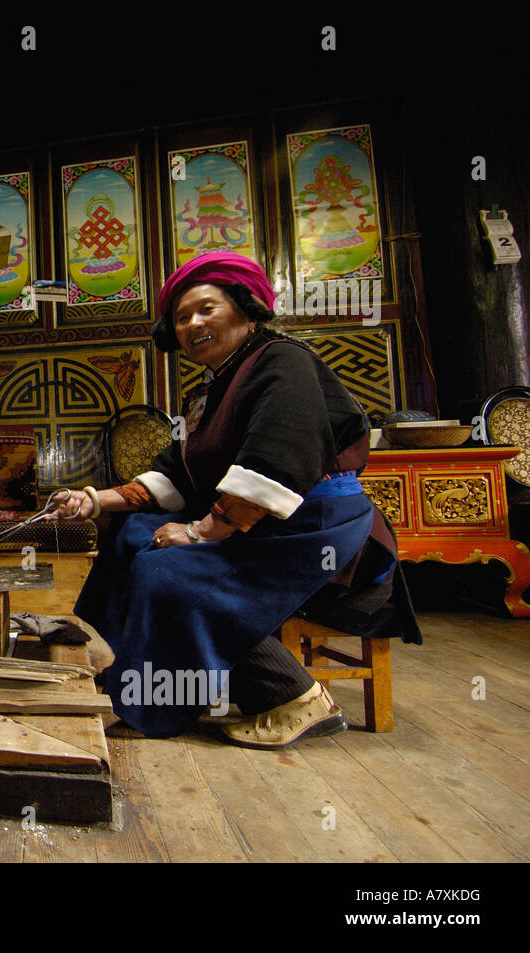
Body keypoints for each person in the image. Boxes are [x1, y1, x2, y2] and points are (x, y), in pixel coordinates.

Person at [55, 250, 419, 748]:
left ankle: (294, 698)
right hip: (266, 526)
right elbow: (181, 471)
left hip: (315, 529)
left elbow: (278, 459)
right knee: (132, 535)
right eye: (182, 318)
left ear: (247, 309)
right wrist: (93, 501)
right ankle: (138, 669)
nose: (192, 324)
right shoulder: (216, 384)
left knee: (170, 574)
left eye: (206, 309)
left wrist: (200, 532)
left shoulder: (282, 362)